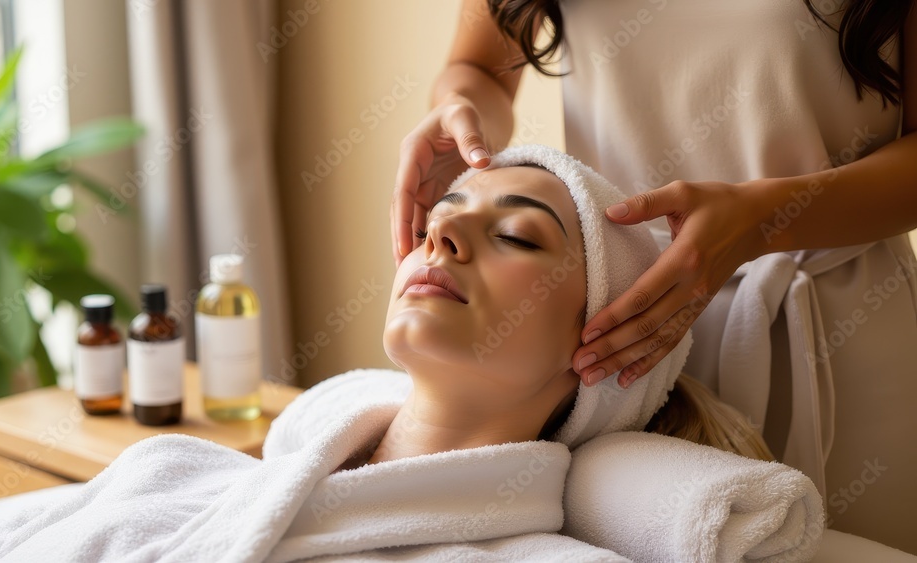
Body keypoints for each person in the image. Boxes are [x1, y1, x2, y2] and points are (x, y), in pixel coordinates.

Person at [0, 148, 798, 563]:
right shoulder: (179, 472)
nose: (441, 229)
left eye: (516, 237)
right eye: (444, 213)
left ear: (607, 346)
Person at [391, 0, 917, 552]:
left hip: (843, 336)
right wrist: (462, 110)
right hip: (618, 357)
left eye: (517, 234)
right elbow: (479, 70)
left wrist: (766, 219)